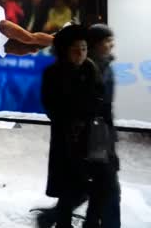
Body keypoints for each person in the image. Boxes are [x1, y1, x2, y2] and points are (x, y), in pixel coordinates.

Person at [40, 25, 108, 228]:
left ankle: (57, 219)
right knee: (68, 187)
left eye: (84, 49)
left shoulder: (91, 69)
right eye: (75, 49)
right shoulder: (53, 73)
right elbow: (50, 104)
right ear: (65, 51)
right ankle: (60, 222)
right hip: (65, 139)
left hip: (89, 138)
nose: (81, 54)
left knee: (89, 186)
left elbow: (99, 98)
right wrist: (71, 120)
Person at [87, 24, 121, 228]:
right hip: (94, 138)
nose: (111, 44)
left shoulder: (105, 65)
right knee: (109, 189)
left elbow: (107, 109)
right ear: (96, 44)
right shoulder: (90, 68)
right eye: (107, 41)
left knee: (100, 190)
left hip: (103, 135)